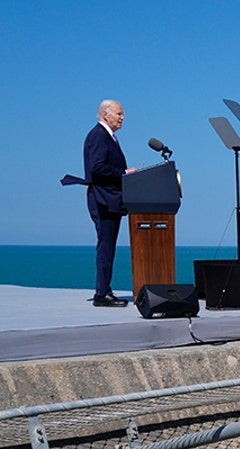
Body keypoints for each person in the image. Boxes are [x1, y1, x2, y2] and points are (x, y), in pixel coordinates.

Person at [83, 99, 135, 307]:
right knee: (105, 246)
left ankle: (105, 290)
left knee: (109, 246)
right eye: (119, 114)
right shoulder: (98, 136)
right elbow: (97, 168)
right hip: (103, 199)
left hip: (111, 198)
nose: (123, 118)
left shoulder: (108, 137)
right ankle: (101, 293)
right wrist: (124, 173)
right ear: (106, 115)